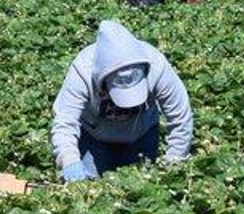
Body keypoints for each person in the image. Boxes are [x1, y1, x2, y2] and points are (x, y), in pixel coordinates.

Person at [50, 20, 194, 183]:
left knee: (139, 189)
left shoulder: (157, 67)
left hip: (142, 134)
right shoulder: (83, 71)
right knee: (90, 191)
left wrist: (173, 167)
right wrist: (69, 160)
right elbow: (65, 121)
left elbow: (180, 118)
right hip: (93, 137)